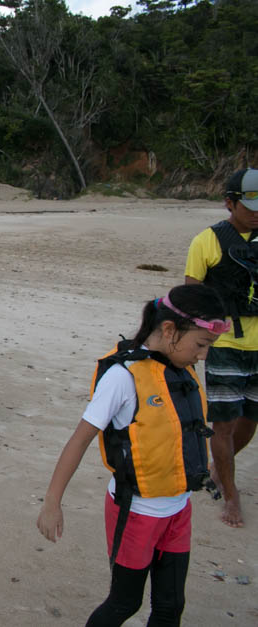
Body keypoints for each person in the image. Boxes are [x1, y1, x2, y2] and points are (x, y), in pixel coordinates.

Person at [36, 284, 226, 626]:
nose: (202, 356)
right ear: (169, 331)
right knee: (125, 602)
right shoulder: (124, 378)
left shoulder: (181, 370)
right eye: (200, 345)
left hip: (178, 509)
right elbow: (79, 440)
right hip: (136, 511)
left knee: (170, 606)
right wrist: (53, 501)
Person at [184, 167, 258, 528]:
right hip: (225, 342)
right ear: (230, 203)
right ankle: (230, 493)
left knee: (250, 423)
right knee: (224, 425)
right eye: (251, 202)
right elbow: (191, 297)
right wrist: (194, 349)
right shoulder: (207, 242)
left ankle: (218, 469)